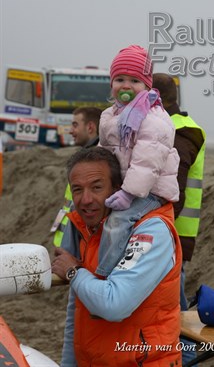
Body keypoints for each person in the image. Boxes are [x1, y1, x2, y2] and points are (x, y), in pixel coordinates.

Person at [52, 146, 182, 367]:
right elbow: (77, 309)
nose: (85, 199)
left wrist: (73, 272)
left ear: (117, 189)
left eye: (96, 187)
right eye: (77, 189)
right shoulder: (90, 229)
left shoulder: (151, 231)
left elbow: (115, 304)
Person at [96, 44, 180, 277]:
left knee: (118, 223)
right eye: (120, 79)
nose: (126, 86)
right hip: (122, 184)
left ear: (146, 85)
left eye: (134, 81)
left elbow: (147, 162)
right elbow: (102, 151)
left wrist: (128, 193)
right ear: (111, 84)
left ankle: (104, 275)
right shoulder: (110, 115)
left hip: (149, 191)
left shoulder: (152, 117)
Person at [153, 73, 206, 366]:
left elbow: (175, 191)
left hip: (170, 235)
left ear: (155, 98)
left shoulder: (181, 131)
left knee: (174, 306)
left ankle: (185, 356)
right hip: (169, 233)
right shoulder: (167, 128)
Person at [51, 106, 102, 247]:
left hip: (77, 245)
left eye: (75, 125)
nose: (71, 131)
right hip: (69, 241)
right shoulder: (85, 158)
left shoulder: (95, 163)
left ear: (90, 127)